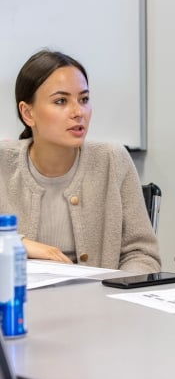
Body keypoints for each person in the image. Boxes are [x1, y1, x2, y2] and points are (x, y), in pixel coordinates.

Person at [0, 49, 161, 273]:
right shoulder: (3, 163)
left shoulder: (112, 160)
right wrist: (15, 244)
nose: (78, 112)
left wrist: (110, 292)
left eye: (84, 99)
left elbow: (142, 254)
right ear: (28, 114)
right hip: (20, 303)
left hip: (101, 303)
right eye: (60, 101)